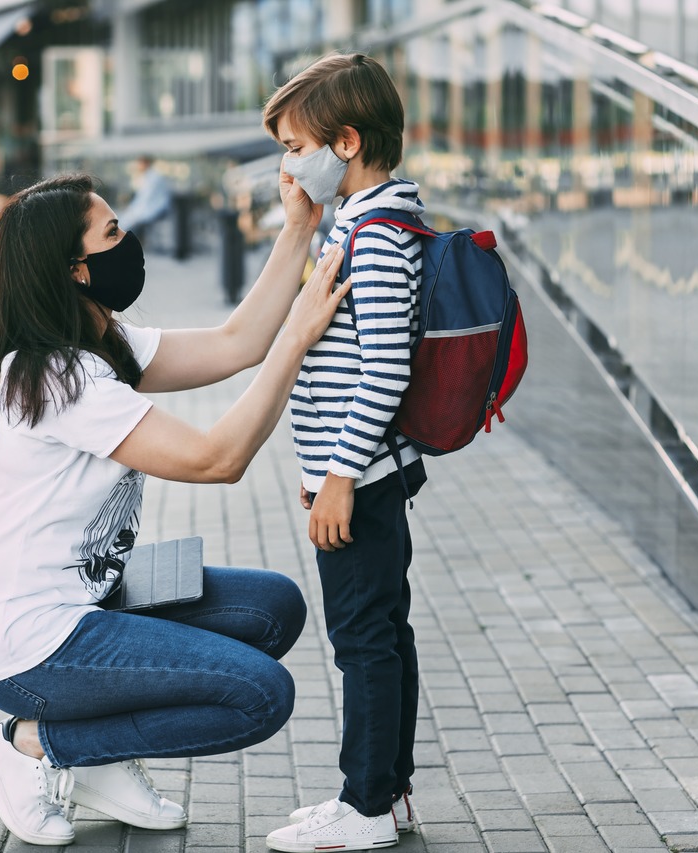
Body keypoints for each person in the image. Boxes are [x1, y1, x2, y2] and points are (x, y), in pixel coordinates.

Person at [0, 171, 347, 846]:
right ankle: (34, 743)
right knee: (261, 695)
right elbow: (215, 460)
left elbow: (234, 344)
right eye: (112, 233)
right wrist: (298, 339)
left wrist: (298, 228)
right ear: (75, 270)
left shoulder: (105, 344)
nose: (129, 241)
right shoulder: (58, 377)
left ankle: (97, 759)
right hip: (30, 641)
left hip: (88, 597)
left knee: (273, 606)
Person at [261, 53, 428, 852]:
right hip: (359, 474)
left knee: (362, 638)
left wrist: (337, 478)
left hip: (360, 479)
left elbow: (386, 368)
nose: (289, 164)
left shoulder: (380, 235)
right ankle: (386, 794)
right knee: (384, 630)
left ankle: (363, 805)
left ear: (348, 142)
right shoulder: (360, 224)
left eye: (297, 147)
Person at [116, 155, 173, 243]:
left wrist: (133, 211)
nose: (138, 166)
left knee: (129, 222)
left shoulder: (154, 178)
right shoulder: (149, 177)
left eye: (140, 163)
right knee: (126, 219)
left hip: (156, 209)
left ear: (146, 163)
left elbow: (146, 200)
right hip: (151, 208)